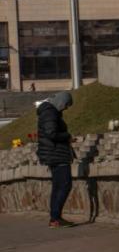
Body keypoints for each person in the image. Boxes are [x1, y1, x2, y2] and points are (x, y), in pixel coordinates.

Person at [36, 91, 75, 227]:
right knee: (64, 185)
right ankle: (55, 218)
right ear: (61, 102)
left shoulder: (50, 112)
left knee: (58, 186)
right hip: (56, 154)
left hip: (54, 154)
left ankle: (55, 218)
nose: (66, 108)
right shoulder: (50, 112)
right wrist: (67, 136)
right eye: (66, 105)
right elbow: (51, 133)